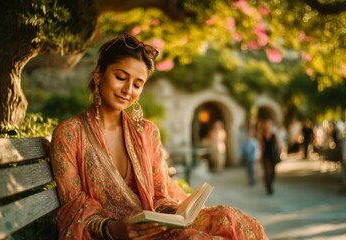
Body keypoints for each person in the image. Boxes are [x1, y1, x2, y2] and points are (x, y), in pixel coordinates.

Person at [49, 33, 268, 240]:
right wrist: (113, 228)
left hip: (154, 226)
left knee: (229, 217)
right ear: (98, 75)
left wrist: (175, 213)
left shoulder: (146, 132)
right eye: (120, 77)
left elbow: (160, 193)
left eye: (137, 84)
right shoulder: (70, 134)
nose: (128, 89)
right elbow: (73, 206)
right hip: (113, 234)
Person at [259, 118, 281, 195]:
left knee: (273, 172)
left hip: (273, 155)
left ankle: (270, 184)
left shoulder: (273, 135)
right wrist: (261, 156)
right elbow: (262, 146)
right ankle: (268, 186)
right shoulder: (262, 135)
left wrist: (279, 153)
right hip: (266, 155)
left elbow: (277, 145)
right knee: (268, 171)